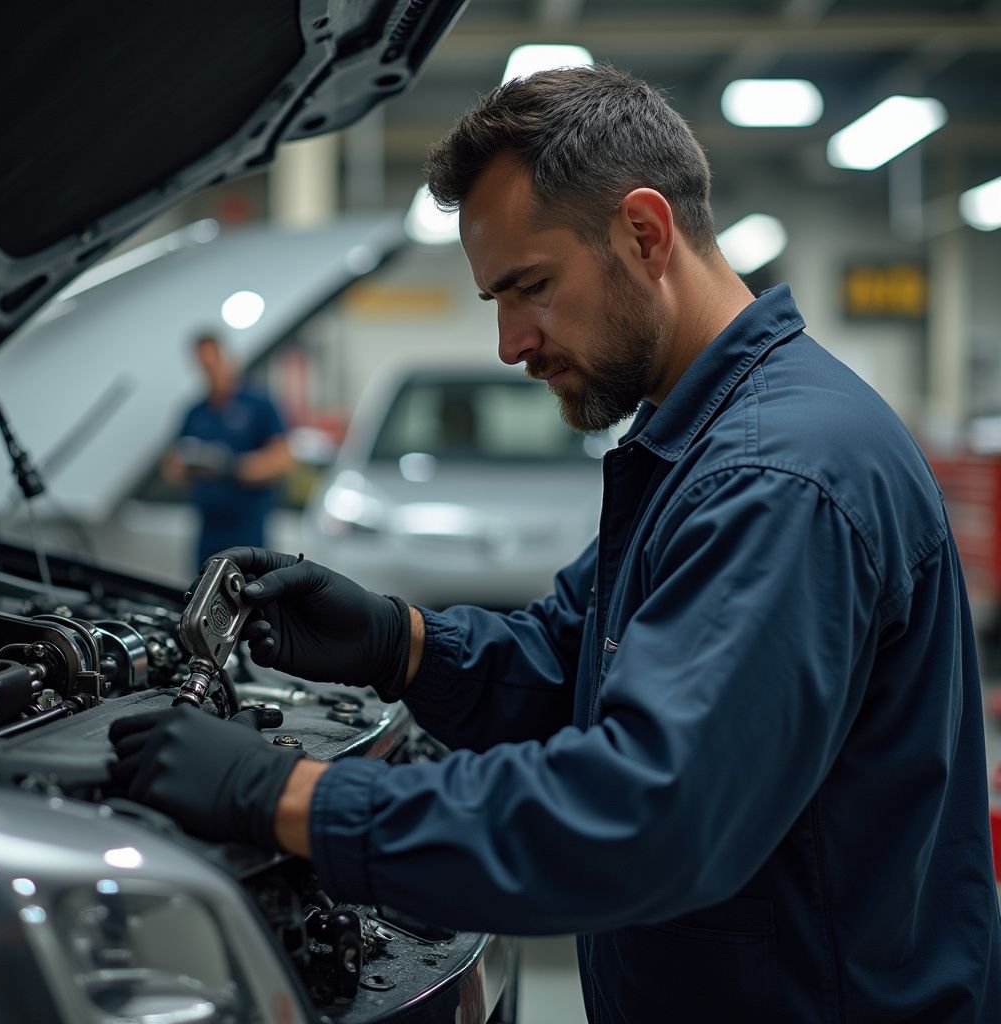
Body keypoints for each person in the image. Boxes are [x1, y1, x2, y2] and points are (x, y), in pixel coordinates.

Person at [110, 66, 1001, 1022]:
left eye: (528, 287)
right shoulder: (697, 439)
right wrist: (398, 643)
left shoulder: (775, 475)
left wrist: (290, 797)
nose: (508, 341)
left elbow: (642, 819)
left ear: (646, 234)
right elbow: (575, 659)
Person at [162, 332, 293, 569]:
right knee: (202, 592)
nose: (211, 372)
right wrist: (187, 467)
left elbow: (282, 459)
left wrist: (234, 467)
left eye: (215, 363)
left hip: (247, 525)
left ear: (227, 359)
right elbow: (172, 467)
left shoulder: (258, 405)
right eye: (204, 366)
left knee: (249, 589)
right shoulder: (196, 412)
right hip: (209, 526)